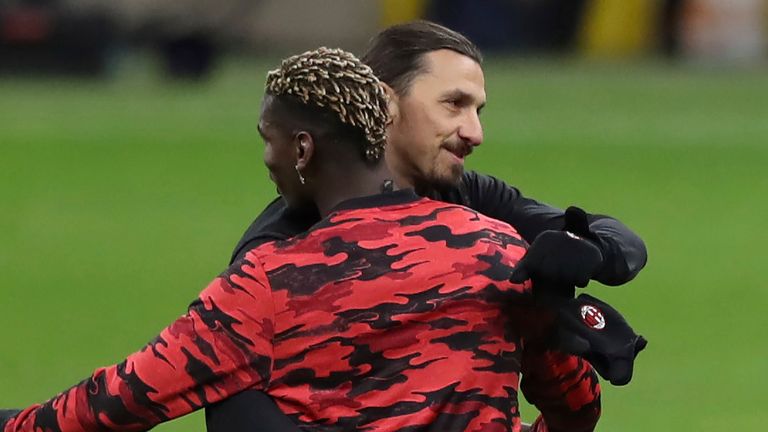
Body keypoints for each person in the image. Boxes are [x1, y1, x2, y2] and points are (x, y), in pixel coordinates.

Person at [0, 46, 608, 432]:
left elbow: (115, 404)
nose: (266, 157)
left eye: (268, 138)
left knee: (234, 400)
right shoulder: (499, 248)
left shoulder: (268, 279)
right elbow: (577, 408)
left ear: (302, 148)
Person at [209, 20, 645, 432]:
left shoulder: (468, 197)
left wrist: (585, 251)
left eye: (478, 110)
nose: (475, 132)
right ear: (384, 101)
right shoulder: (283, 240)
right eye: (454, 104)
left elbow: (622, 242)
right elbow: (228, 397)